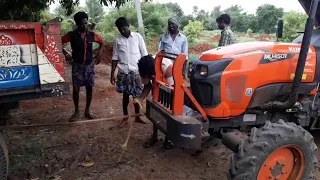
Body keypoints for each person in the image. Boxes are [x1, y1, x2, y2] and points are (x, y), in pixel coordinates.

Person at [61, 11, 104, 122]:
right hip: (77, 65)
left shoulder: (92, 35)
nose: (84, 26)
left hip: (89, 65)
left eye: (86, 23)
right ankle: (76, 112)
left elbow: (102, 43)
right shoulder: (71, 35)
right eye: (81, 24)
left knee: (89, 88)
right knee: (76, 89)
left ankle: (87, 111)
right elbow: (58, 42)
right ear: (77, 24)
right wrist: (66, 53)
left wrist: (99, 54)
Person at [111, 17, 148, 128]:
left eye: (124, 28)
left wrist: (145, 71)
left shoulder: (138, 37)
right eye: (120, 29)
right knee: (125, 96)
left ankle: (137, 117)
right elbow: (115, 57)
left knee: (137, 95)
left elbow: (144, 54)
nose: (122, 31)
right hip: (124, 72)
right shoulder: (117, 40)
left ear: (128, 26)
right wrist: (112, 73)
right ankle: (125, 117)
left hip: (136, 72)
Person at [134, 55, 175, 150]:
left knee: (168, 113)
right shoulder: (144, 68)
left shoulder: (167, 68)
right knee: (154, 111)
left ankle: (167, 139)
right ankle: (155, 136)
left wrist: (165, 100)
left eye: (150, 75)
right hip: (157, 87)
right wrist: (140, 99)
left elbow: (173, 89)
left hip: (170, 88)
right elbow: (147, 86)